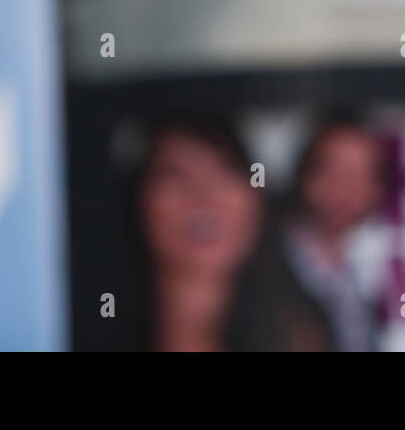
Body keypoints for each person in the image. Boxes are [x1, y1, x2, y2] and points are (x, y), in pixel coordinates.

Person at [127, 118, 329, 351]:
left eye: (226, 172)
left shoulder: (303, 336)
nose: (204, 198)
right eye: (175, 175)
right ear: (139, 200)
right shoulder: (87, 325)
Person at [283, 112, 387, 351]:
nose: (344, 190)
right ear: (304, 174)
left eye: (360, 175)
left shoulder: (359, 268)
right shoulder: (269, 258)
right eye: (333, 170)